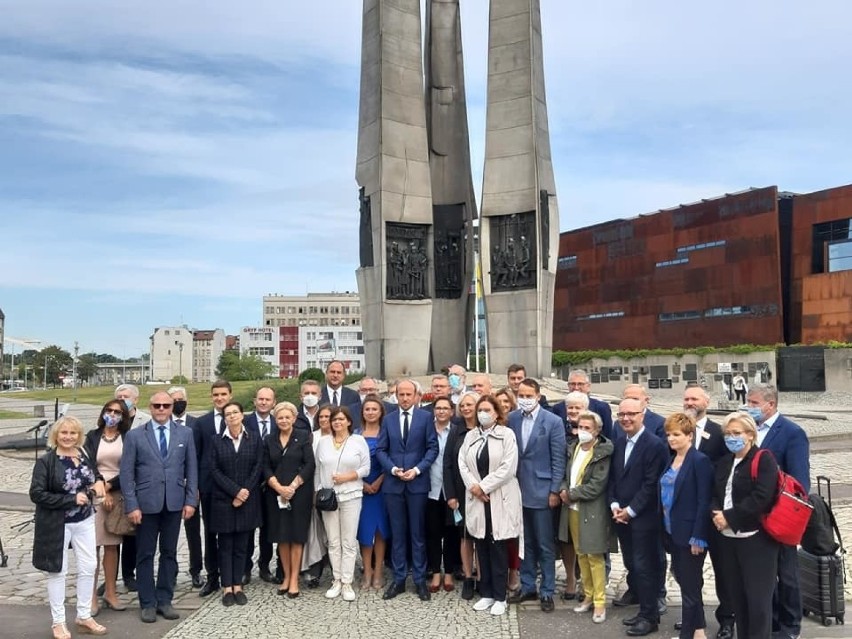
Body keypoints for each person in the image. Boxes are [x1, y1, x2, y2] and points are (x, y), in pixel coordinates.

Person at [119, 391, 198, 624]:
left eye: (166, 405)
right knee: (145, 554)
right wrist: (131, 504)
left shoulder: (185, 433)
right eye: (157, 405)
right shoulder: (135, 436)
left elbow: (191, 470)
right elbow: (126, 473)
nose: (161, 409)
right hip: (145, 505)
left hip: (174, 503)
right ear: (150, 407)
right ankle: (147, 602)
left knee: (169, 553)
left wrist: (190, 500)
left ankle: (165, 599)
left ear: (172, 406)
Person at [30, 416, 108, 639]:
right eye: (64, 433)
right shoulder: (47, 462)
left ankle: (83, 615)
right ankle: (58, 622)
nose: (68, 437)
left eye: (73, 433)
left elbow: (93, 475)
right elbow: (37, 494)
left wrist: (100, 481)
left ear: (79, 435)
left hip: (84, 520)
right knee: (58, 570)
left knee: (89, 566)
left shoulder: (83, 455)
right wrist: (71, 500)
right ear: (56, 435)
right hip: (57, 523)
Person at [746, 384, 810, 639]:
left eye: (753, 402)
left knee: (787, 573)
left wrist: (779, 511)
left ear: (770, 405)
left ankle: (790, 627)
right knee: (763, 574)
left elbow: (799, 483)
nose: (748, 407)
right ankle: (769, 622)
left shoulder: (792, 433)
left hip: (779, 516)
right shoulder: (750, 431)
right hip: (754, 515)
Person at [711, 412, 780, 639]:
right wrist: (716, 514)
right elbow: (715, 492)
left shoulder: (763, 458)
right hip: (728, 540)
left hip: (756, 539)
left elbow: (762, 497)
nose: (732, 438)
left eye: (737, 433)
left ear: (750, 435)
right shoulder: (725, 461)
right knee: (737, 598)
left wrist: (729, 516)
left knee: (758, 601)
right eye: (728, 434)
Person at [608, 397, 669, 637]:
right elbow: (613, 478)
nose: (626, 418)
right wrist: (614, 505)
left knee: (646, 566)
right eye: (622, 414)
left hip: (643, 518)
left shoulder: (654, 445)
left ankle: (650, 617)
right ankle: (644, 608)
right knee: (632, 565)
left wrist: (630, 510)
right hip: (621, 516)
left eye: (631, 414)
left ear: (642, 414)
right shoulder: (620, 442)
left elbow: (651, 483)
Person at [458, 394, 522, 617]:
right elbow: (462, 463)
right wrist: (474, 487)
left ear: (497, 412)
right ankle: (485, 593)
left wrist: (484, 486)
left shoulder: (507, 435)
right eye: (480, 410)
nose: (483, 414)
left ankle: (500, 596)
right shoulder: (471, 436)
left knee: (498, 547)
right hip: (477, 498)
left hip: (499, 497)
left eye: (487, 410)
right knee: (480, 545)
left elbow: (508, 467)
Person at [376, 379, 439, 602]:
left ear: (416, 396)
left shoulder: (425, 418)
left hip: (417, 484)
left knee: (417, 534)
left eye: (408, 394)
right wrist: (392, 469)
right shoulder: (389, 419)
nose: (404, 398)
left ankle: (420, 580)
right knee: (398, 533)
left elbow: (432, 448)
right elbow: (381, 449)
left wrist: (417, 470)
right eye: (400, 394)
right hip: (393, 485)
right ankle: (399, 578)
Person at [507, 378, 566, 613]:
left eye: (529, 395)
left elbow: (558, 458)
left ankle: (547, 590)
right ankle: (528, 585)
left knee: (544, 544)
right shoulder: (512, 418)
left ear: (539, 396)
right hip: (517, 490)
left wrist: (554, 490)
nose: (524, 399)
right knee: (525, 542)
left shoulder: (552, 421)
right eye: (521, 395)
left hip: (542, 491)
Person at [682, 384, 731, 638]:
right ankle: (693, 617)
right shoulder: (675, 431)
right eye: (686, 398)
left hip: (714, 514)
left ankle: (727, 619)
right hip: (688, 515)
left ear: (706, 402)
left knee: (723, 570)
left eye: (695, 398)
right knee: (689, 573)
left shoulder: (719, 433)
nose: (690, 402)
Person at [660, 413, 714, 639]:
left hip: (690, 534)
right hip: (672, 530)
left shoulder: (699, 460)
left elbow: (704, 500)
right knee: (684, 581)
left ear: (689, 436)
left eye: (676, 434)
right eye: (669, 434)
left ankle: (687, 635)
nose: (671, 439)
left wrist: (699, 536)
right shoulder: (671, 459)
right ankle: (698, 632)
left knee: (690, 587)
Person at [558, 410, 613, 624]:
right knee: (581, 554)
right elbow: (567, 475)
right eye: (580, 427)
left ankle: (600, 602)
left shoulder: (602, 452)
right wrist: (564, 490)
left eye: (587, 428)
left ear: (597, 430)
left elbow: (597, 484)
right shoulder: (574, 448)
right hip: (572, 510)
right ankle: (588, 595)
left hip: (592, 510)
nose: (582, 431)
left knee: (595, 556)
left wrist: (571, 494)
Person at [210, 401, 264, 607]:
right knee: (225, 546)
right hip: (223, 500)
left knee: (242, 546)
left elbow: (258, 467)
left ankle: (238, 586)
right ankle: (227, 588)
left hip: (247, 499)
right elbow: (214, 470)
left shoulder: (254, 439)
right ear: (224, 419)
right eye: (227, 414)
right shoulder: (216, 440)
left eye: (235, 412)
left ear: (242, 415)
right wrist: (234, 491)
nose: (231, 416)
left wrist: (243, 493)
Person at [315, 406, 371, 601]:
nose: (337, 422)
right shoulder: (323, 443)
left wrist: (348, 476)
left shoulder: (358, 441)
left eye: (340, 419)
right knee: (333, 540)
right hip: (329, 497)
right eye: (334, 419)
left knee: (348, 541)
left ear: (348, 421)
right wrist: (318, 492)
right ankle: (336, 579)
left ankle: (347, 581)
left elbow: (366, 468)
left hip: (351, 495)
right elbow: (317, 469)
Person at [262, 401, 315, 597]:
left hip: (299, 494)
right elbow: (265, 466)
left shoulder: (302, 436)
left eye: (287, 417)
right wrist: (278, 487)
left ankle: (294, 579)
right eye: (280, 417)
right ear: (275, 420)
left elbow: (310, 464)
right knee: (281, 537)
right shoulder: (269, 439)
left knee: (296, 537)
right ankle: (285, 576)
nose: (283, 420)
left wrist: (292, 486)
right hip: (276, 494)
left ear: (294, 418)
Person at [84, 400, 131, 616]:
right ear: (103, 412)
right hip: (95, 494)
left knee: (112, 546)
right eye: (109, 411)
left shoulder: (128, 438)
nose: (112, 414)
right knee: (92, 546)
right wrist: (100, 483)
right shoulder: (92, 436)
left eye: (117, 412)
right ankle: (91, 595)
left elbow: (130, 467)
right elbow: (87, 464)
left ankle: (111, 592)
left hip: (117, 495)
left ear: (123, 416)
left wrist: (111, 487)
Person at [193, 380, 233, 597]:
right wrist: (197, 486)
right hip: (209, 487)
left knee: (234, 533)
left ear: (230, 395)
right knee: (210, 533)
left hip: (234, 487)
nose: (219, 398)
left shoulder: (239, 419)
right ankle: (213, 576)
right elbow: (197, 455)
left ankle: (235, 574)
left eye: (223, 394)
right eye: (216, 395)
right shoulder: (202, 423)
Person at [443, 390, 481, 600]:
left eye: (470, 405)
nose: (466, 408)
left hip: (483, 492)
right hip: (460, 492)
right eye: (463, 405)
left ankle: (482, 577)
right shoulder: (455, 431)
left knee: (482, 537)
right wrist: (450, 495)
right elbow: (447, 464)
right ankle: (468, 577)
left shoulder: (486, 429)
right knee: (465, 536)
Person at [113, 383, 149, 593]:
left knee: (130, 534)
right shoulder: (110, 419)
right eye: (118, 396)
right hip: (112, 483)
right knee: (110, 536)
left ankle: (129, 574)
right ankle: (109, 577)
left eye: (125, 396)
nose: (122, 399)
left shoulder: (145, 421)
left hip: (136, 484)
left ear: (136, 399)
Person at [553, 390, 588, 601]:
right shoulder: (560, 430)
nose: (574, 411)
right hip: (564, 493)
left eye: (578, 407)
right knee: (566, 539)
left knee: (587, 539)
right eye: (571, 407)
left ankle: (586, 580)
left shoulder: (595, 430)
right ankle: (570, 578)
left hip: (588, 496)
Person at [169, 385, 204, 588]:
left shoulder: (196, 424)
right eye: (173, 400)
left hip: (192, 486)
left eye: (180, 399)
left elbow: (199, 457)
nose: (177, 403)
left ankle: (196, 570)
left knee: (193, 531)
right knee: (170, 531)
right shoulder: (163, 424)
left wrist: (195, 485)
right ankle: (170, 571)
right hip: (171, 487)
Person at [242, 387, 277, 584]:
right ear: (254, 401)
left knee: (268, 529)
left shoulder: (278, 422)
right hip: (250, 484)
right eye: (260, 399)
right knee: (248, 529)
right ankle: (245, 568)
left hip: (272, 485)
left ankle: (265, 566)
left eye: (267, 399)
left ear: (274, 402)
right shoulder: (245, 422)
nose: (263, 402)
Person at [425, 396, 460, 593]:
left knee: (451, 533)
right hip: (430, 489)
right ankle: (436, 572)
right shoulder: (426, 429)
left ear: (452, 411)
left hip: (450, 490)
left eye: (445, 408)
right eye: (438, 408)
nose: (441, 411)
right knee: (432, 533)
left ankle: (449, 572)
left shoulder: (457, 431)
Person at [356, 395, 391, 590]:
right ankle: (366, 570)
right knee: (364, 531)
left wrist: (378, 482)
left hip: (382, 488)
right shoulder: (354, 434)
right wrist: (362, 484)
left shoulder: (387, 433)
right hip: (359, 488)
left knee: (380, 531)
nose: (370, 412)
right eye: (367, 409)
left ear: (380, 412)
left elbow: (391, 460)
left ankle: (378, 571)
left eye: (374, 409)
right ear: (362, 412)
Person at [302, 404, 332, 588]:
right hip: (315, 489)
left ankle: (338, 571)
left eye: (327, 417)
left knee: (334, 533)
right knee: (316, 532)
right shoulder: (312, 437)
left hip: (338, 489)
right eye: (320, 417)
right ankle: (315, 570)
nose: (323, 420)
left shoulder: (344, 437)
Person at [553, 370, 614, 440]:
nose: (576, 387)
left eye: (580, 384)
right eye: (572, 384)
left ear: (588, 386)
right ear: (568, 386)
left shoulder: (602, 407)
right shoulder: (558, 408)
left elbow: (608, 436)